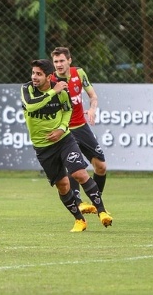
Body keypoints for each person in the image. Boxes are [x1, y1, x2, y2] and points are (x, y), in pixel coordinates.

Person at [21, 59, 113, 232]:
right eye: (33, 73)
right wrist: (51, 93)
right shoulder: (27, 89)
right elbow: (31, 107)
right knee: (63, 185)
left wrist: (62, 129)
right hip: (42, 147)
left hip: (64, 140)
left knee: (80, 173)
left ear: (49, 77)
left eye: (39, 74)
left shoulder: (62, 90)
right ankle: (80, 220)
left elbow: (67, 110)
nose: (34, 77)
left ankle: (102, 212)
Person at [50, 47, 107, 215]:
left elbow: (93, 96)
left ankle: (96, 201)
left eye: (61, 61)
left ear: (69, 60)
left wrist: (92, 109)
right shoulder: (51, 81)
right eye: (56, 62)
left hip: (81, 126)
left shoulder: (79, 74)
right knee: (74, 167)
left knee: (101, 166)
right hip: (65, 130)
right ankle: (79, 203)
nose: (59, 64)